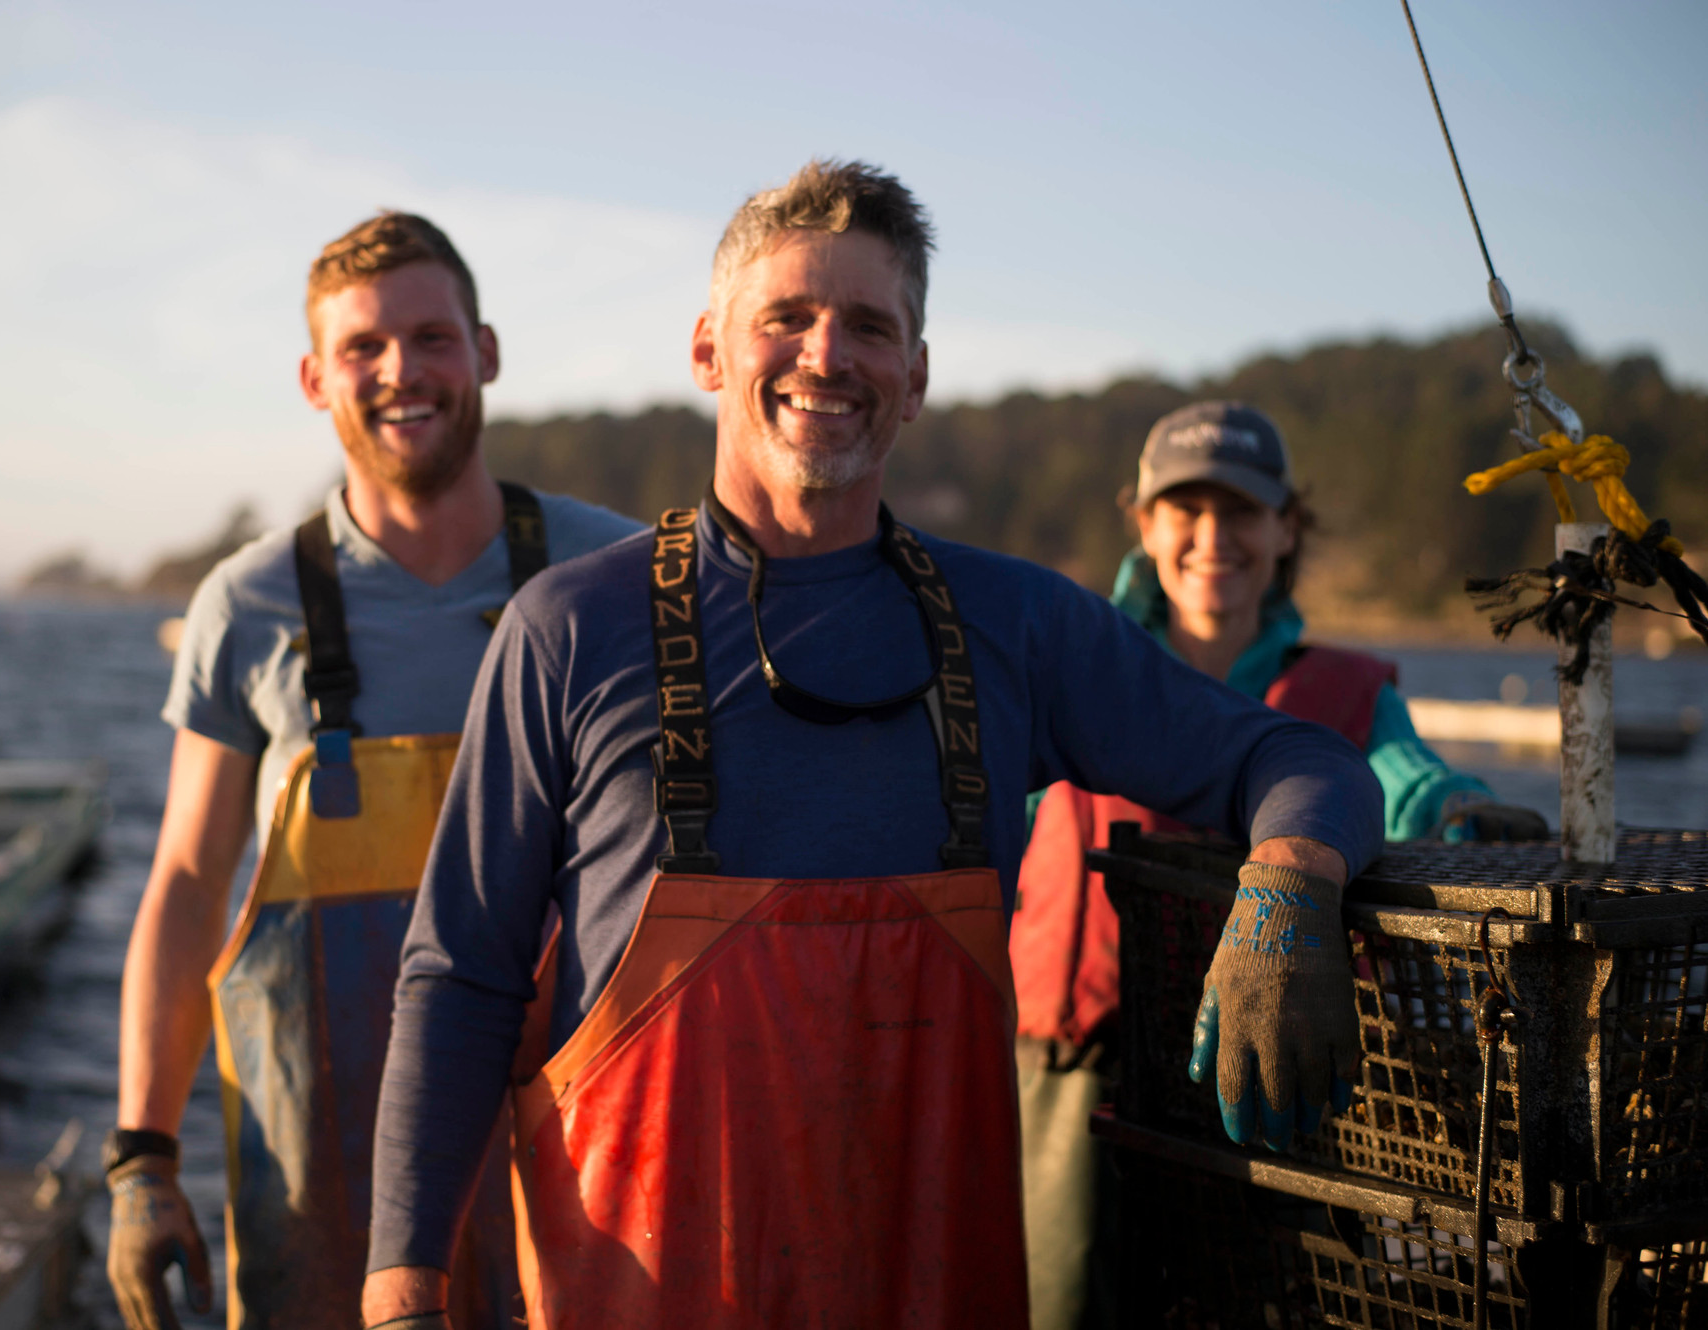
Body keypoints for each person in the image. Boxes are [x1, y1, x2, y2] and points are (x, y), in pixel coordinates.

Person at [359, 160, 1386, 1330]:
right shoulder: (568, 628)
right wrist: (404, 1289)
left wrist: (1289, 892)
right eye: (785, 319)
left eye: (869, 327)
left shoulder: (1018, 626)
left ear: (917, 378)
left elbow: (1298, 761)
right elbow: (462, 976)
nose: (826, 356)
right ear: (708, 351)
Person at [104, 211, 640, 1330]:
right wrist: (143, 1162)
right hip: (322, 1195)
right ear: (314, 378)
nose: (403, 372)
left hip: (583, 1182)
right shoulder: (245, 607)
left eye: (433, 337)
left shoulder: (621, 577)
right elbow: (190, 884)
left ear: (485, 352)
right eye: (364, 348)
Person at [1007, 399, 1548, 1329]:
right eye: (1185, 509)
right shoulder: (1076, 668)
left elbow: (1402, 777)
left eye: (1242, 511)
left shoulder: (1340, 689)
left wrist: (1460, 810)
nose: (1212, 535)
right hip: (1072, 1075)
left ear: (1284, 527)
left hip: (1279, 1067)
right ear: (1142, 522)